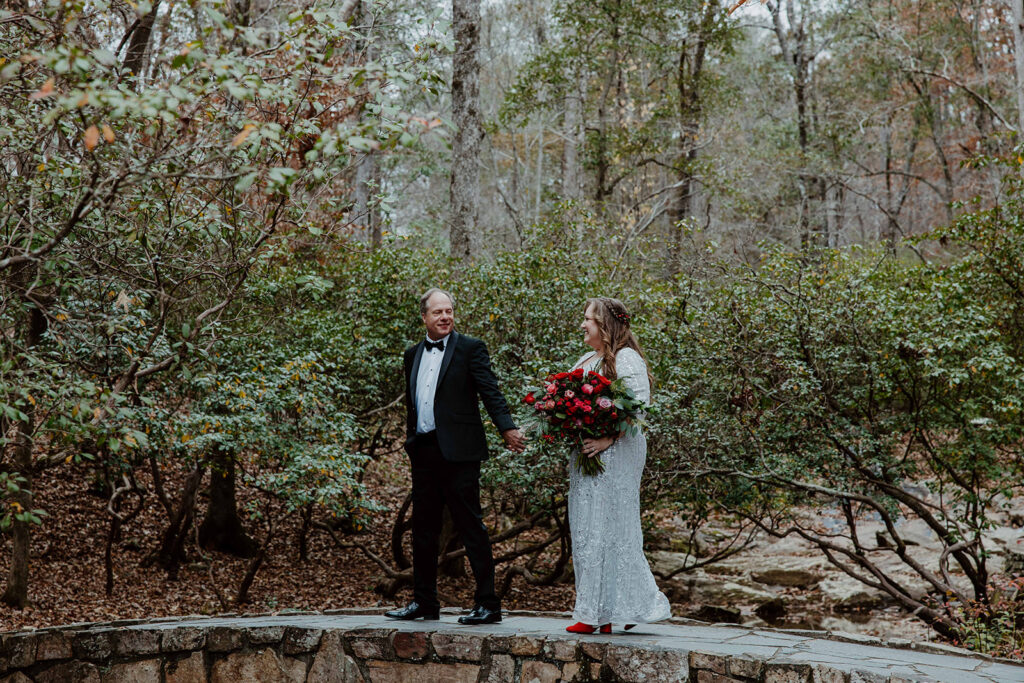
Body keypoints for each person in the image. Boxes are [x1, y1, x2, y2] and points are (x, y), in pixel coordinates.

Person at [385, 288, 525, 625]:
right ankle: (424, 603)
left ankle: (488, 604)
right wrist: (410, 440)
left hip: (461, 452)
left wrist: (506, 428)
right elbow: (413, 402)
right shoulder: (411, 354)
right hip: (424, 451)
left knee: (470, 526)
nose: (445, 317)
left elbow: (490, 389)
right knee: (423, 530)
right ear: (424, 317)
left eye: (449, 311)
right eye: (438, 312)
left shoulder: (470, 348)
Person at [565, 297, 671, 634]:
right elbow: (567, 400)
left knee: (611, 528)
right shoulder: (587, 359)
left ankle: (609, 610)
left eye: (588, 320)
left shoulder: (627, 360)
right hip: (587, 455)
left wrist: (607, 439)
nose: (583, 325)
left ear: (606, 325)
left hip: (617, 453)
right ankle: (599, 611)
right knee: (587, 529)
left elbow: (637, 408)